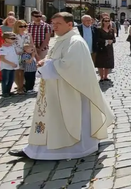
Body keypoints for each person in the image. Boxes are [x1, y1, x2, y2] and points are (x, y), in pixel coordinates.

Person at [8, 12, 114, 160]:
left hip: (70, 90)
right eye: (53, 23)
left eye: (58, 24)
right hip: (56, 89)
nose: (54, 27)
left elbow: (70, 66)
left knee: (67, 119)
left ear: (69, 25)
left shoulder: (75, 42)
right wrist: (46, 62)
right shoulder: (63, 39)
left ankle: (64, 149)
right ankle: (35, 148)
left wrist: (47, 64)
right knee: (51, 118)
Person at [13, 20, 34, 93]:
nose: (23, 28)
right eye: (21, 26)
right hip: (16, 55)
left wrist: (33, 55)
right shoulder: (13, 35)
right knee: (17, 71)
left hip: (26, 55)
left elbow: (32, 45)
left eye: (25, 26)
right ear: (16, 27)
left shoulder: (28, 35)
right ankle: (19, 86)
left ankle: (21, 87)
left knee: (23, 71)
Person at [95, 16, 116, 82]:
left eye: (108, 21)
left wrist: (112, 41)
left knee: (107, 63)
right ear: (103, 22)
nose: (107, 22)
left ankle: (106, 76)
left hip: (109, 48)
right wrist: (106, 41)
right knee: (101, 63)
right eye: (105, 21)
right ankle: (101, 77)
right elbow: (97, 39)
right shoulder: (99, 30)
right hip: (101, 48)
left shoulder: (111, 30)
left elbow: (114, 39)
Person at [0, 32, 18, 97]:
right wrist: (11, 63)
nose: (14, 40)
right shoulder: (3, 48)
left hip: (12, 67)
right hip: (5, 67)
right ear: (6, 39)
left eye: (15, 38)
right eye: (12, 38)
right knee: (5, 80)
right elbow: (2, 58)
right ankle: (5, 92)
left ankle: (8, 91)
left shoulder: (12, 46)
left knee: (11, 79)